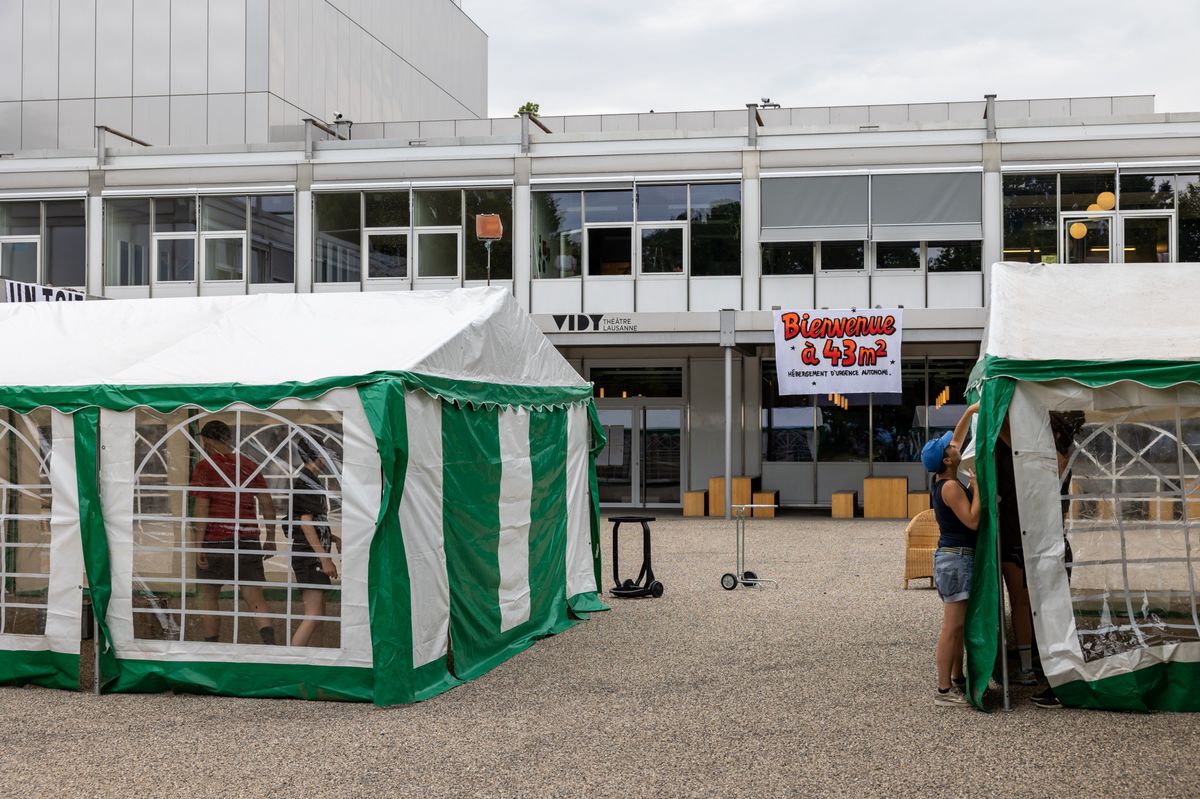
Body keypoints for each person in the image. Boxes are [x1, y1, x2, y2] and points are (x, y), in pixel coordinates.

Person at [189, 419, 279, 645]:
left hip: (215, 541)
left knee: (209, 596)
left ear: (206, 440)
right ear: (228, 438)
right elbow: (267, 503)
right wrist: (271, 537)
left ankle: (212, 648)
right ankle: (270, 646)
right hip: (247, 538)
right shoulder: (248, 465)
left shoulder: (205, 467)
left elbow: (202, 509)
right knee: (254, 597)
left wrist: (199, 546)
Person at [922, 402, 980, 707]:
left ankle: (958, 679)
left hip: (952, 558)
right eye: (950, 447)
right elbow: (972, 521)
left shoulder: (941, 477)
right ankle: (944, 691)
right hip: (957, 559)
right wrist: (979, 486)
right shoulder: (950, 488)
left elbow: (958, 438)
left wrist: (970, 412)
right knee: (952, 627)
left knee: (957, 627)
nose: (956, 446)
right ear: (947, 459)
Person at [995, 421, 1038, 686]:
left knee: (1021, 602)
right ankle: (1030, 660)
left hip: (1014, 532)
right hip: (1025, 531)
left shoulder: (1011, 444)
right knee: (1027, 601)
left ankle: (1027, 666)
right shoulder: (1035, 444)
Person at [289, 439, 338, 647]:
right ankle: (293, 658)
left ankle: (317, 658)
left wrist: (333, 538)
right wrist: (324, 558)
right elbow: (306, 523)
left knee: (319, 615)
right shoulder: (306, 482)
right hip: (309, 557)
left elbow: (313, 522)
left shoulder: (311, 480)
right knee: (314, 615)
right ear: (317, 456)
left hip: (312, 555)